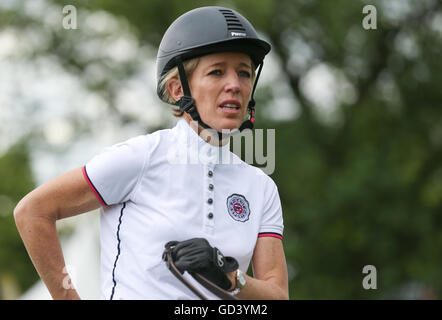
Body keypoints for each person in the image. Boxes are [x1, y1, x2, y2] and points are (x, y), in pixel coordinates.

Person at [14, 6, 288, 300]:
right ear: (178, 88)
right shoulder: (140, 158)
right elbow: (33, 212)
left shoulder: (261, 188)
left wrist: (228, 274)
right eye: (217, 71)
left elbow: (277, 295)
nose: (234, 85)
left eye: (244, 73)